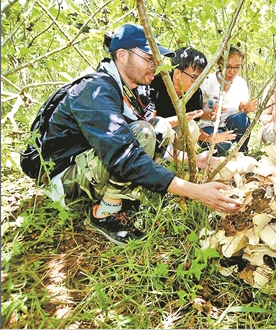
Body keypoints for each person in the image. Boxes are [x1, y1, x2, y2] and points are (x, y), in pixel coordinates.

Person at [41, 23, 241, 245]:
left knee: (159, 127)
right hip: (64, 181)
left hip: (91, 166)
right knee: (146, 131)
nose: (154, 65)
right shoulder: (96, 90)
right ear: (123, 55)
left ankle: (120, 196)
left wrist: (194, 159)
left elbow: (139, 141)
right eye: (148, 58)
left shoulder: (132, 91)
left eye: (156, 60)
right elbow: (124, 154)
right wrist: (195, 191)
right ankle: (105, 212)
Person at [148, 46, 235, 164]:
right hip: (153, 135)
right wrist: (180, 119)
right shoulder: (155, 84)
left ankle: (176, 163)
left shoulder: (195, 93)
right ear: (177, 72)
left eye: (201, 78)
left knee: (192, 127)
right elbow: (150, 123)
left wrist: (209, 138)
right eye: (194, 77)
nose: (198, 82)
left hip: (175, 138)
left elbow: (193, 126)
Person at [198, 46, 258, 155]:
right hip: (208, 127)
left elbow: (242, 107)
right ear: (220, 65)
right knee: (223, 144)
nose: (232, 71)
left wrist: (247, 108)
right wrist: (210, 114)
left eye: (237, 67)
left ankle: (242, 152)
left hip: (228, 125)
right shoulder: (208, 82)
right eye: (228, 67)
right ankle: (215, 150)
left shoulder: (240, 83)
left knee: (243, 119)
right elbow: (196, 112)